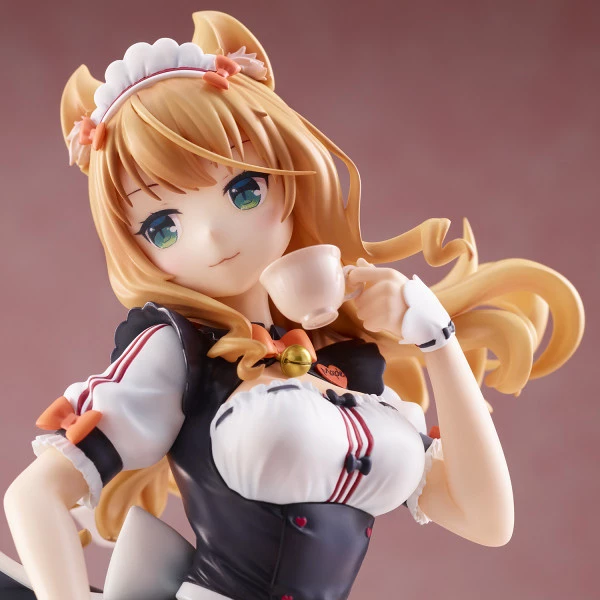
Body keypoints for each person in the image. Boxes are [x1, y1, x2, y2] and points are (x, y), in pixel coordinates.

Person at [2, 10, 584, 600]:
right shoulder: (178, 350)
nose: (213, 236)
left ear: (288, 178)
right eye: (163, 227)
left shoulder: (344, 363)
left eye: (243, 190)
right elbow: (32, 497)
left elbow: (486, 520)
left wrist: (436, 338)